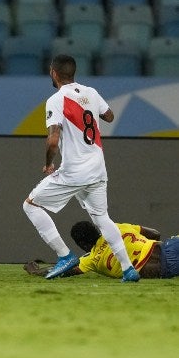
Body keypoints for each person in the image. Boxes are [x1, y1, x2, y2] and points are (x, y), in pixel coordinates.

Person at [21, 54, 140, 282]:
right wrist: (90, 111)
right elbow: (109, 115)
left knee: (30, 205)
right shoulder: (91, 93)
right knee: (102, 218)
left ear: (54, 73)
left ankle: (64, 256)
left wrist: (48, 163)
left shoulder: (56, 100)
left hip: (74, 172)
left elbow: (53, 140)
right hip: (97, 169)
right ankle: (128, 269)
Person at [24, 221, 179, 280]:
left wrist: (34, 270)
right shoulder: (116, 227)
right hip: (167, 248)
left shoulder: (91, 259)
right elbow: (155, 233)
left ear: (82, 244)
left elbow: (61, 271)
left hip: (163, 270)